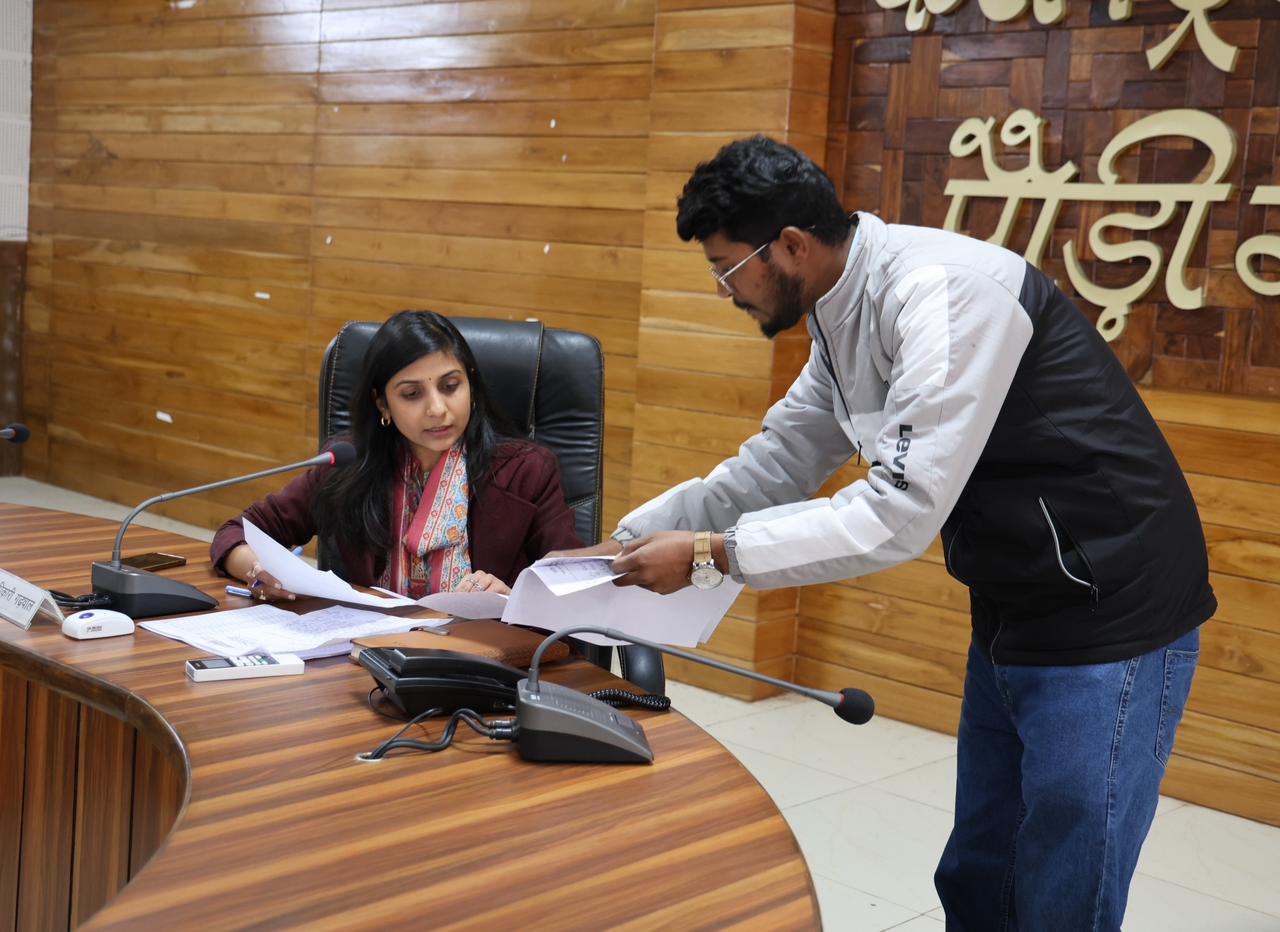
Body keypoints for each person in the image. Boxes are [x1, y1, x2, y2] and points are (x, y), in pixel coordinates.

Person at [570, 136, 1216, 930]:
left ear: (791, 246)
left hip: (1113, 606)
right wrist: (628, 540)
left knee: (1064, 879)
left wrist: (712, 555)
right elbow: (777, 463)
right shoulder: (840, 311)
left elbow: (899, 512)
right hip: (1015, 597)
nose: (722, 289)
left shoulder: (940, 293)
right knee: (982, 865)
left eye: (727, 268)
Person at [211, 310, 582, 600]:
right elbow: (235, 534)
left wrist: (511, 599)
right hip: (369, 658)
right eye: (412, 394)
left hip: (484, 659)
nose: (437, 409)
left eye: (451, 386)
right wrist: (258, 571)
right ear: (383, 404)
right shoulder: (350, 464)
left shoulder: (526, 471)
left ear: (471, 385)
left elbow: (573, 589)